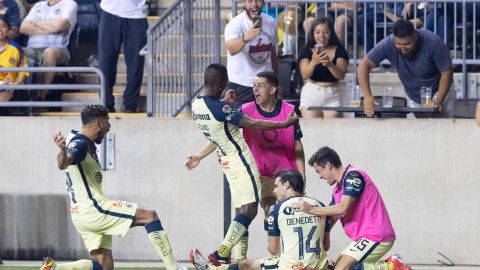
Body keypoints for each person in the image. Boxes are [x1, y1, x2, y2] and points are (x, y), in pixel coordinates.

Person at [185, 63, 298, 265]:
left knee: (240, 211)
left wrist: (198, 156)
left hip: (226, 162)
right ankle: (222, 252)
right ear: (220, 83)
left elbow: (219, 126)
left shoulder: (197, 105)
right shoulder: (222, 108)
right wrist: (283, 124)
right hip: (241, 161)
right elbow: (252, 123)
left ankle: (239, 261)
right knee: (250, 209)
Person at [48, 105, 183, 270]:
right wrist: (62, 151)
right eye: (107, 121)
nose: (109, 126)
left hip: (79, 214)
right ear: (98, 123)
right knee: (149, 216)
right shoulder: (80, 143)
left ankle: (55, 269)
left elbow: (67, 159)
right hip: (93, 209)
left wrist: (64, 149)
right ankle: (174, 268)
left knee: (105, 266)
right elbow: (64, 162)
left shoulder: (74, 137)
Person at [292, 146, 411, 270]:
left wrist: (310, 209)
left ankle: (392, 266)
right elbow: (330, 219)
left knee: (342, 269)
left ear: (328, 165)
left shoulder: (353, 176)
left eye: (319, 171)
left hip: (376, 235)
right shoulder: (337, 190)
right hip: (363, 238)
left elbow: (342, 208)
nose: (320, 177)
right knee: (335, 268)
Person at [189, 169, 330, 270]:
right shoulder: (320, 205)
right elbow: (326, 245)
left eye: (276, 186)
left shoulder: (277, 208)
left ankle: (209, 268)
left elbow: (273, 250)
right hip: (319, 266)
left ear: (286, 185)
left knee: (247, 265)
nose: (274, 191)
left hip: (291, 266)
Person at [241, 71, 305, 227]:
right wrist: (200, 156)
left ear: (272, 90)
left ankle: (281, 250)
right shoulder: (246, 110)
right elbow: (223, 128)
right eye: (254, 86)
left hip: (287, 175)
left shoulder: (288, 111)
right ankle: (273, 249)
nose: (255, 89)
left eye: (260, 86)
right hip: (261, 174)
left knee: (289, 220)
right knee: (270, 215)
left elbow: (297, 145)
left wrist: (302, 176)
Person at [357, 19, 454, 118]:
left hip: (439, 90)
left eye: (407, 44)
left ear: (415, 36)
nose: (402, 48)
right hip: (414, 94)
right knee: (421, 129)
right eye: (398, 44)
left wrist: (439, 100)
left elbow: (447, 72)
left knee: (442, 126)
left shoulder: (433, 42)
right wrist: (367, 96)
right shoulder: (388, 43)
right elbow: (363, 66)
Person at [19, 0, 77, 101]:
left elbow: (59, 26)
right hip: (32, 49)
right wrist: (50, 28)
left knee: (49, 52)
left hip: (58, 48)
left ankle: (41, 96)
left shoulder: (69, 3)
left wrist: (34, 23)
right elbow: (23, 28)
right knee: (14, 51)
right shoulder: (38, 6)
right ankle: (15, 95)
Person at [224, 0, 278, 107]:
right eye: (250, 1)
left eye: (258, 0)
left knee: (266, 121)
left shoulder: (271, 22)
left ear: (263, 2)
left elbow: (272, 53)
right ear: (244, 3)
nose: (254, 4)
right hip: (241, 84)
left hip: (266, 83)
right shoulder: (235, 24)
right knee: (240, 122)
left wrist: (276, 81)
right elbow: (231, 49)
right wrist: (245, 38)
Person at [98, 0, 148, 113]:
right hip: (109, 12)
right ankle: (106, 103)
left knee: (135, 64)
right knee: (106, 62)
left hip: (137, 15)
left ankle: (131, 104)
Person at [298, 17, 349, 119]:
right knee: (313, 130)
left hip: (333, 95)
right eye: (317, 32)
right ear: (313, 33)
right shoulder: (307, 51)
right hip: (311, 93)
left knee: (333, 131)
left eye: (325, 32)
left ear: (331, 33)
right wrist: (313, 62)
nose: (321, 36)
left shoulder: (339, 51)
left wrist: (329, 64)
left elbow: (341, 75)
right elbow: (305, 75)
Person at [0, 16, 28, 102]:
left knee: (4, 94)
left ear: (8, 30)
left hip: (10, 87)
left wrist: (16, 83)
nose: (0, 29)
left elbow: (23, 71)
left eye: (3, 26)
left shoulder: (17, 48)